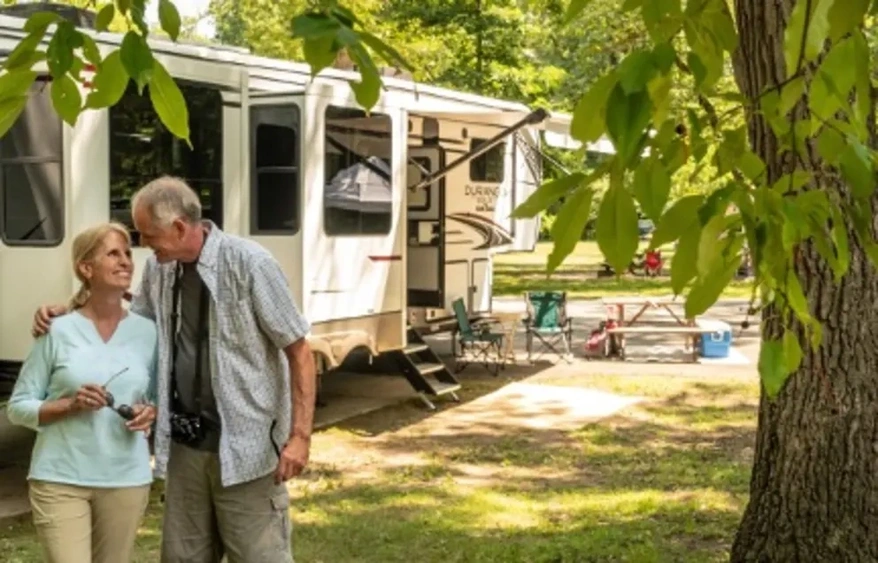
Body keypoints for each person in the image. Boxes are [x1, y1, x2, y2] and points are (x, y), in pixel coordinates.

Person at [33, 176, 317, 563]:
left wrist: (299, 436)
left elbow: (299, 349)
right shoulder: (160, 271)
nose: (143, 245)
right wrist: (70, 310)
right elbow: (131, 323)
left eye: (149, 235)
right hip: (185, 450)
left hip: (247, 451)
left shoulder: (251, 264)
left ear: (180, 227)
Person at [9, 222, 158, 563]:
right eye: (113, 254)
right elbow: (18, 406)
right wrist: (68, 405)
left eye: (127, 253)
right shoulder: (56, 330)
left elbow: (159, 399)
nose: (126, 262)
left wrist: (150, 412)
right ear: (86, 268)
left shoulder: (148, 332)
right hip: (59, 478)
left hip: (126, 479)